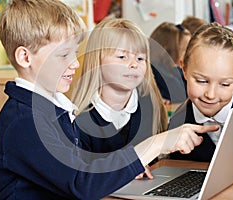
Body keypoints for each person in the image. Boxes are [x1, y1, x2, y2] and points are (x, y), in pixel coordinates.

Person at [0, 1, 219, 199]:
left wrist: (123, 169)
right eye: (64, 55)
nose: (75, 64)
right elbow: (81, 182)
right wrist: (157, 144)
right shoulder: (25, 121)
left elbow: (81, 165)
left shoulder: (49, 109)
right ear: (25, 57)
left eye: (74, 54)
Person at [71, 18, 168, 178]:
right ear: (97, 62)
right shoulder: (81, 117)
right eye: (122, 57)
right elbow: (82, 176)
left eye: (140, 58)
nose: (133, 64)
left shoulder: (149, 104)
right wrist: (124, 170)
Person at [168, 22, 233, 164]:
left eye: (225, 84)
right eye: (201, 81)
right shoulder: (177, 122)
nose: (211, 95)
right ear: (184, 69)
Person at [150, 22, 191, 104]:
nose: (188, 54)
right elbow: (180, 95)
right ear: (166, 50)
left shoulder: (177, 70)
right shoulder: (154, 70)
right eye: (184, 49)